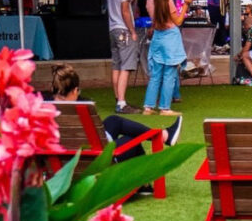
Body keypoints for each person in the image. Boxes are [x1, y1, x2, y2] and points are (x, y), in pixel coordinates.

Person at [45, 64, 182, 164]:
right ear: (75, 90)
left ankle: (164, 135)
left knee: (113, 121)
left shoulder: (42, 108)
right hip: (92, 161)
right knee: (131, 140)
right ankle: (143, 184)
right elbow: (95, 144)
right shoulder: (82, 109)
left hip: (59, 161)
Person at [143, 0, 193, 116]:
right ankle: (165, 108)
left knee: (156, 74)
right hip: (170, 38)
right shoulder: (168, 1)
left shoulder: (150, 0)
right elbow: (178, 21)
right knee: (169, 74)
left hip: (157, 38)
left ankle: (148, 107)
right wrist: (186, 5)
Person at [106, 0, 142, 115]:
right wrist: (132, 31)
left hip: (113, 28)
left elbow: (124, 3)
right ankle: (121, 103)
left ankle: (118, 98)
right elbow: (125, 10)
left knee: (117, 66)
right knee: (126, 66)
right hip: (124, 30)